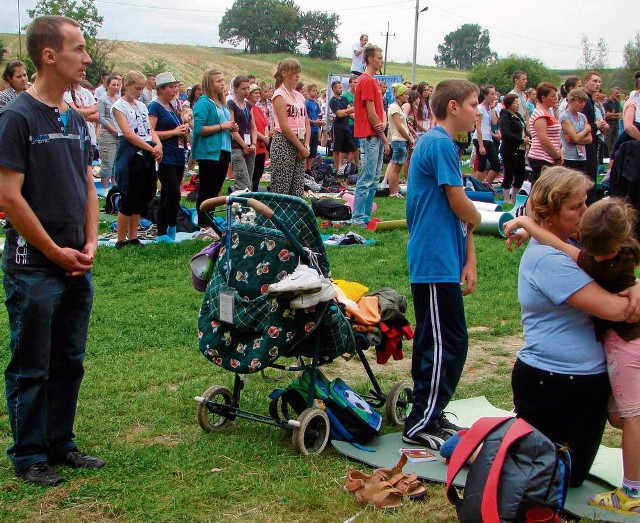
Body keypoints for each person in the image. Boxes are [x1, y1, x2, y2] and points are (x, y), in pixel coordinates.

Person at [0, 15, 105, 487]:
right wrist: (54, 251)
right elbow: (8, 197)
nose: (86, 58)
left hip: (74, 263)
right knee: (32, 365)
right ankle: (29, 454)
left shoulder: (73, 117)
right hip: (34, 266)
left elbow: (87, 183)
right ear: (49, 55)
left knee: (70, 358)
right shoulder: (16, 117)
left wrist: (90, 240)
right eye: (79, 49)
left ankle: (61, 443)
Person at [503, 167, 640, 488]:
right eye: (576, 207)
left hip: (586, 384)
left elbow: (618, 274)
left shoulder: (582, 243)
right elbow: (618, 310)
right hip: (552, 384)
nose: (587, 211)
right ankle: (471, 447)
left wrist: (636, 286)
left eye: (586, 202)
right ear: (549, 215)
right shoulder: (549, 259)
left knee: (569, 478)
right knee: (548, 480)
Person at [403, 79, 482, 450]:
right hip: (433, 260)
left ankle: (429, 414)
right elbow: (460, 205)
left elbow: (458, 218)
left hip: (444, 260)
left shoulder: (442, 144)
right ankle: (420, 421)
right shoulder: (439, 144)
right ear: (453, 107)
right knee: (445, 342)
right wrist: (480, 219)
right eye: (472, 104)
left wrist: (469, 258)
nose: (477, 111)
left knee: (441, 339)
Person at [111, 70, 162, 248]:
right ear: (127, 86)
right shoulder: (119, 106)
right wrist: (149, 148)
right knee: (129, 196)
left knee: (141, 196)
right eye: (137, 88)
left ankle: (133, 236)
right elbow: (128, 133)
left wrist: (158, 145)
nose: (140, 92)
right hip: (131, 152)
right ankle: (121, 238)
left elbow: (149, 129)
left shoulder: (141, 106)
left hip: (146, 150)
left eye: (142, 89)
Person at [192, 69, 237, 227]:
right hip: (209, 153)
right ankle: (203, 225)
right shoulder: (204, 103)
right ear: (209, 84)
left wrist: (231, 127)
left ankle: (210, 223)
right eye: (218, 81)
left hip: (223, 151)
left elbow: (223, 126)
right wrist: (222, 126)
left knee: (216, 189)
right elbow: (199, 129)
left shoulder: (222, 104)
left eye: (223, 80)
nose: (222, 83)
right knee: (207, 190)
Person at [148, 71, 190, 243]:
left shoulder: (173, 107)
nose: (175, 90)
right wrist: (174, 132)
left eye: (176, 87)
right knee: (172, 192)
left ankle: (168, 231)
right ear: (161, 89)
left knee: (169, 194)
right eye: (171, 87)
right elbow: (150, 132)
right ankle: (163, 229)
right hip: (165, 156)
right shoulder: (155, 107)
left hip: (178, 154)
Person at [352, 45, 389, 227]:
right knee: (366, 178)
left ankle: (365, 216)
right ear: (369, 59)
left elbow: (378, 112)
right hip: (369, 135)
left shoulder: (373, 81)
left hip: (376, 134)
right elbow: (371, 112)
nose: (381, 60)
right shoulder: (365, 81)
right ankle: (358, 217)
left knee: (374, 178)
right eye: (379, 57)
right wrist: (383, 135)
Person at [270, 58, 310, 197]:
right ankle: (279, 218)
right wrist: (300, 147)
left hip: (300, 142)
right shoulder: (279, 95)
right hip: (284, 143)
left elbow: (306, 122)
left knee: (297, 187)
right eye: (294, 72)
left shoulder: (299, 96)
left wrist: (305, 145)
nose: (297, 76)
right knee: (282, 187)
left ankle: (294, 218)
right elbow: (283, 126)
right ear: (284, 73)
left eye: (298, 73)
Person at [528, 82, 562, 182]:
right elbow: (543, 139)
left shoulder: (549, 112)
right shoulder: (540, 114)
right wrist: (557, 156)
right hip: (542, 158)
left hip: (550, 157)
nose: (556, 98)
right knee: (540, 192)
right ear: (543, 98)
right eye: (552, 96)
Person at [498, 94, 529, 203]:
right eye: (515, 102)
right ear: (509, 104)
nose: (518, 104)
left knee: (520, 174)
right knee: (509, 173)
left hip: (520, 149)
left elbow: (523, 129)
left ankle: (514, 196)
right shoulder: (505, 117)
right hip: (509, 150)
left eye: (518, 102)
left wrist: (526, 138)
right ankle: (506, 198)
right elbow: (506, 134)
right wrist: (521, 141)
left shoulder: (519, 116)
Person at [228, 75, 257, 191]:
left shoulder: (248, 106)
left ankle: (245, 206)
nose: (246, 91)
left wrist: (253, 143)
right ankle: (238, 206)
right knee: (243, 183)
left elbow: (253, 127)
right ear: (235, 89)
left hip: (250, 146)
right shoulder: (231, 104)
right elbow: (232, 128)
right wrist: (243, 145)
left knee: (249, 181)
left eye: (248, 88)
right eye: (243, 89)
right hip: (237, 146)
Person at [385, 83, 414, 198]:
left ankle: (395, 190)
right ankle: (393, 192)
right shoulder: (394, 108)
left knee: (398, 167)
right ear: (399, 95)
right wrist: (408, 138)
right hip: (399, 140)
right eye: (406, 94)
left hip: (401, 140)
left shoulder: (399, 108)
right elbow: (399, 126)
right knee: (395, 167)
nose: (408, 96)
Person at [472, 85, 500, 187]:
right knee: (483, 164)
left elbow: (494, 122)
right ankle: (480, 186)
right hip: (481, 138)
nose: (494, 96)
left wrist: (492, 108)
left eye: (495, 94)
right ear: (485, 95)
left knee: (494, 164)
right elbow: (478, 127)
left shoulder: (489, 109)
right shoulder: (480, 108)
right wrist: (481, 145)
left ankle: (485, 185)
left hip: (488, 137)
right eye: (491, 94)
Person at [559, 88, 592, 174]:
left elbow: (589, 139)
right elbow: (575, 138)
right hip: (569, 156)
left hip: (581, 156)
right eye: (580, 102)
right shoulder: (565, 116)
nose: (583, 105)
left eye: (584, 102)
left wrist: (576, 139)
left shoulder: (582, 116)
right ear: (570, 101)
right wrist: (587, 129)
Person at [96, 75, 120, 194]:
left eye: (117, 85)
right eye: (113, 85)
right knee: (108, 162)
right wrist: (113, 130)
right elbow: (101, 118)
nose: (116, 87)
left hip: (119, 134)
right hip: (107, 134)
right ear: (107, 85)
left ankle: (115, 188)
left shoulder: (119, 99)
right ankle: (105, 189)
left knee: (116, 163)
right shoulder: (102, 99)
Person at [329, 80, 355, 173]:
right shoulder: (332, 101)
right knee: (337, 149)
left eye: (341, 87)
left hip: (346, 126)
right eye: (339, 88)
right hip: (338, 127)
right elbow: (339, 114)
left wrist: (345, 111)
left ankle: (347, 166)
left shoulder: (344, 99)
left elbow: (350, 110)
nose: (341, 89)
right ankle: (337, 168)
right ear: (334, 89)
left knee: (351, 147)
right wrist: (347, 111)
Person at [248, 83, 269, 191]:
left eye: (258, 93)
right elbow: (252, 128)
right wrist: (262, 138)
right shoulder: (248, 109)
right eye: (255, 93)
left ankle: (255, 193)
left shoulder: (259, 109)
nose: (257, 95)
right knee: (252, 172)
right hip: (253, 144)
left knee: (259, 172)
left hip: (262, 146)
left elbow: (265, 125)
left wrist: (266, 137)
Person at [305, 83, 324, 170]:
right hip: (309, 130)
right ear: (308, 92)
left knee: (313, 151)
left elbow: (317, 116)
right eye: (313, 91)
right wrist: (315, 122)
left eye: (316, 91)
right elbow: (305, 118)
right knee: (307, 150)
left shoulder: (316, 103)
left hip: (316, 129)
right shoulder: (307, 103)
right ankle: (305, 169)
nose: (315, 93)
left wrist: (320, 122)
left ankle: (309, 169)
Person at [604, 87, 622, 157]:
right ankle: (606, 160)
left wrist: (611, 114)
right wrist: (614, 115)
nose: (617, 95)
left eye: (618, 93)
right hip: (609, 125)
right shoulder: (606, 103)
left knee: (615, 142)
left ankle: (613, 159)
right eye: (616, 93)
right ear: (611, 93)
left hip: (616, 125)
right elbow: (606, 115)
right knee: (607, 143)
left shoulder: (617, 103)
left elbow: (619, 115)